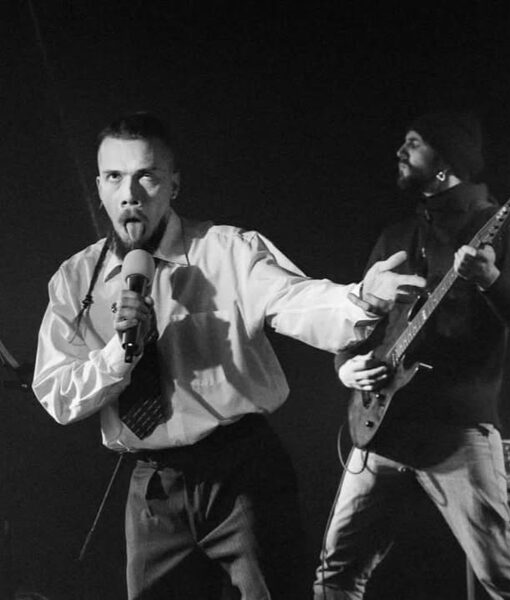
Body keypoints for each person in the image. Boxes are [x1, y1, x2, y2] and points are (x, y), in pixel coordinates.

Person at [32, 112, 425, 600]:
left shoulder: (228, 251)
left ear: (174, 184)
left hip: (241, 472)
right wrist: (121, 351)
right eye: (114, 177)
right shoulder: (75, 279)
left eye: (146, 176)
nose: (130, 193)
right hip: (153, 486)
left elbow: (298, 300)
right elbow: (57, 394)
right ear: (99, 187)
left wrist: (363, 299)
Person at [314, 111, 510, 600]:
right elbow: (359, 325)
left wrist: (489, 279)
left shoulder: (493, 226)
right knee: (334, 576)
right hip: (384, 427)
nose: (400, 152)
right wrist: (346, 368)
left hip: (456, 430)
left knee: (504, 579)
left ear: (445, 161)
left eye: (414, 142)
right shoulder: (396, 235)